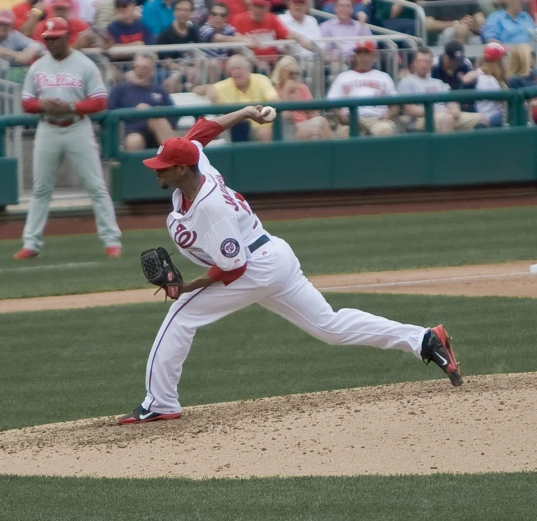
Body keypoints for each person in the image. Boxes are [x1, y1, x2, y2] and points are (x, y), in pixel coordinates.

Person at [116, 106, 464, 424]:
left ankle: (160, 403)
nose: (156, 171)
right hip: (274, 256)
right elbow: (203, 130)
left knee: (182, 314)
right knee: (330, 327)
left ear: (180, 168)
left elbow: (234, 269)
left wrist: (185, 288)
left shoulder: (211, 209)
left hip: (253, 267)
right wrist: (246, 111)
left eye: (162, 167)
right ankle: (424, 339)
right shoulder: (197, 165)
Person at [15, 17, 122, 260]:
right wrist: (42, 104)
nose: (51, 42)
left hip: (77, 126)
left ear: (68, 36)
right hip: (48, 127)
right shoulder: (38, 66)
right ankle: (31, 243)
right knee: (41, 189)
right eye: (47, 38)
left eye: (56, 37)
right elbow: (26, 102)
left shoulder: (84, 64)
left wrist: (72, 106)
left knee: (96, 185)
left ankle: (111, 241)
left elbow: (100, 100)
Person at [397, 47, 483, 133]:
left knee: (481, 118)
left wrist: (454, 109)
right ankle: (447, 146)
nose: (423, 64)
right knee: (446, 118)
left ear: (431, 64)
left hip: (447, 114)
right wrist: (439, 111)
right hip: (422, 119)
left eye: (427, 61)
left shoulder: (438, 82)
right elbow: (410, 109)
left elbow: (451, 101)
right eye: (420, 61)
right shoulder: (406, 81)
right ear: (414, 63)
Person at [199, 54, 279, 141]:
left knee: (264, 133)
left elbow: (274, 100)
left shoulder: (261, 80)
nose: (235, 72)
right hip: (235, 131)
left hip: (261, 126)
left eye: (238, 68)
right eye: (232, 69)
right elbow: (197, 90)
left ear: (248, 69)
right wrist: (209, 89)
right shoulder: (224, 85)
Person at [327, 40, 398, 137]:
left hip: (377, 119)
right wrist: (340, 114)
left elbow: (396, 103)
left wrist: (388, 114)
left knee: (384, 130)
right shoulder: (343, 77)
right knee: (345, 133)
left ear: (374, 56)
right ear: (355, 56)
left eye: (366, 53)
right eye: (360, 53)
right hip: (351, 119)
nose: (363, 56)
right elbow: (331, 102)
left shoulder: (384, 77)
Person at [107, 52, 176, 150]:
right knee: (135, 140)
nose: (140, 71)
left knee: (157, 118)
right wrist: (135, 112)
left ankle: (176, 157)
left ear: (153, 71)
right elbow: (110, 113)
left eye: (145, 68)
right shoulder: (120, 89)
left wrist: (153, 111)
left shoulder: (160, 91)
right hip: (130, 131)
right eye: (138, 67)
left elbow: (173, 115)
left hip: (156, 131)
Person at [271, 56, 332, 140]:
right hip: (289, 129)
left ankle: (333, 151)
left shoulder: (302, 88)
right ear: (281, 74)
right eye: (290, 74)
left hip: (306, 124)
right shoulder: (274, 91)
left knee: (321, 123)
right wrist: (286, 92)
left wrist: (312, 122)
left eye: (296, 74)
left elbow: (314, 114)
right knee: (317, 128)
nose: (294, 77)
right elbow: (286, 118)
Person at [231, 0, 313, 61]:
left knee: (288, 61)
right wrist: (244, 38)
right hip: (249, 61)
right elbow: (233, 36)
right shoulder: (239, 19)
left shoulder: (272, 18)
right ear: (250, 6)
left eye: (261, 7)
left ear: (267, 8)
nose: (258, 10)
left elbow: (287, 34)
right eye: (256, 6)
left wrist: (300, 38)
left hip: (273, 61)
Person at [462, 42, 507, 127]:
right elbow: (505, 102)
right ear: (498, 60)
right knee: (520, 109)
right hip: (489, 118)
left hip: (489, 114)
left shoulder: (480, 73)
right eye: (503, 57)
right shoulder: (488, 79)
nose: (505, 60)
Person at [506, 43, 537, 124]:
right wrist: (532, 104)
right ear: (522, 58)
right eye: (530, 55)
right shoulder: (513, 80)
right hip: (529, 117)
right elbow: (513, 106)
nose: (533, 57)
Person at [30, 0, 96, 48]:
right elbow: (47, 56)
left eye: (63, 9)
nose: (60, 12)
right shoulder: (41, 27)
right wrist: (77, 46)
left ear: (69, 10)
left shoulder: (80, 25)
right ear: (51, 10)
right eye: (57, 9)